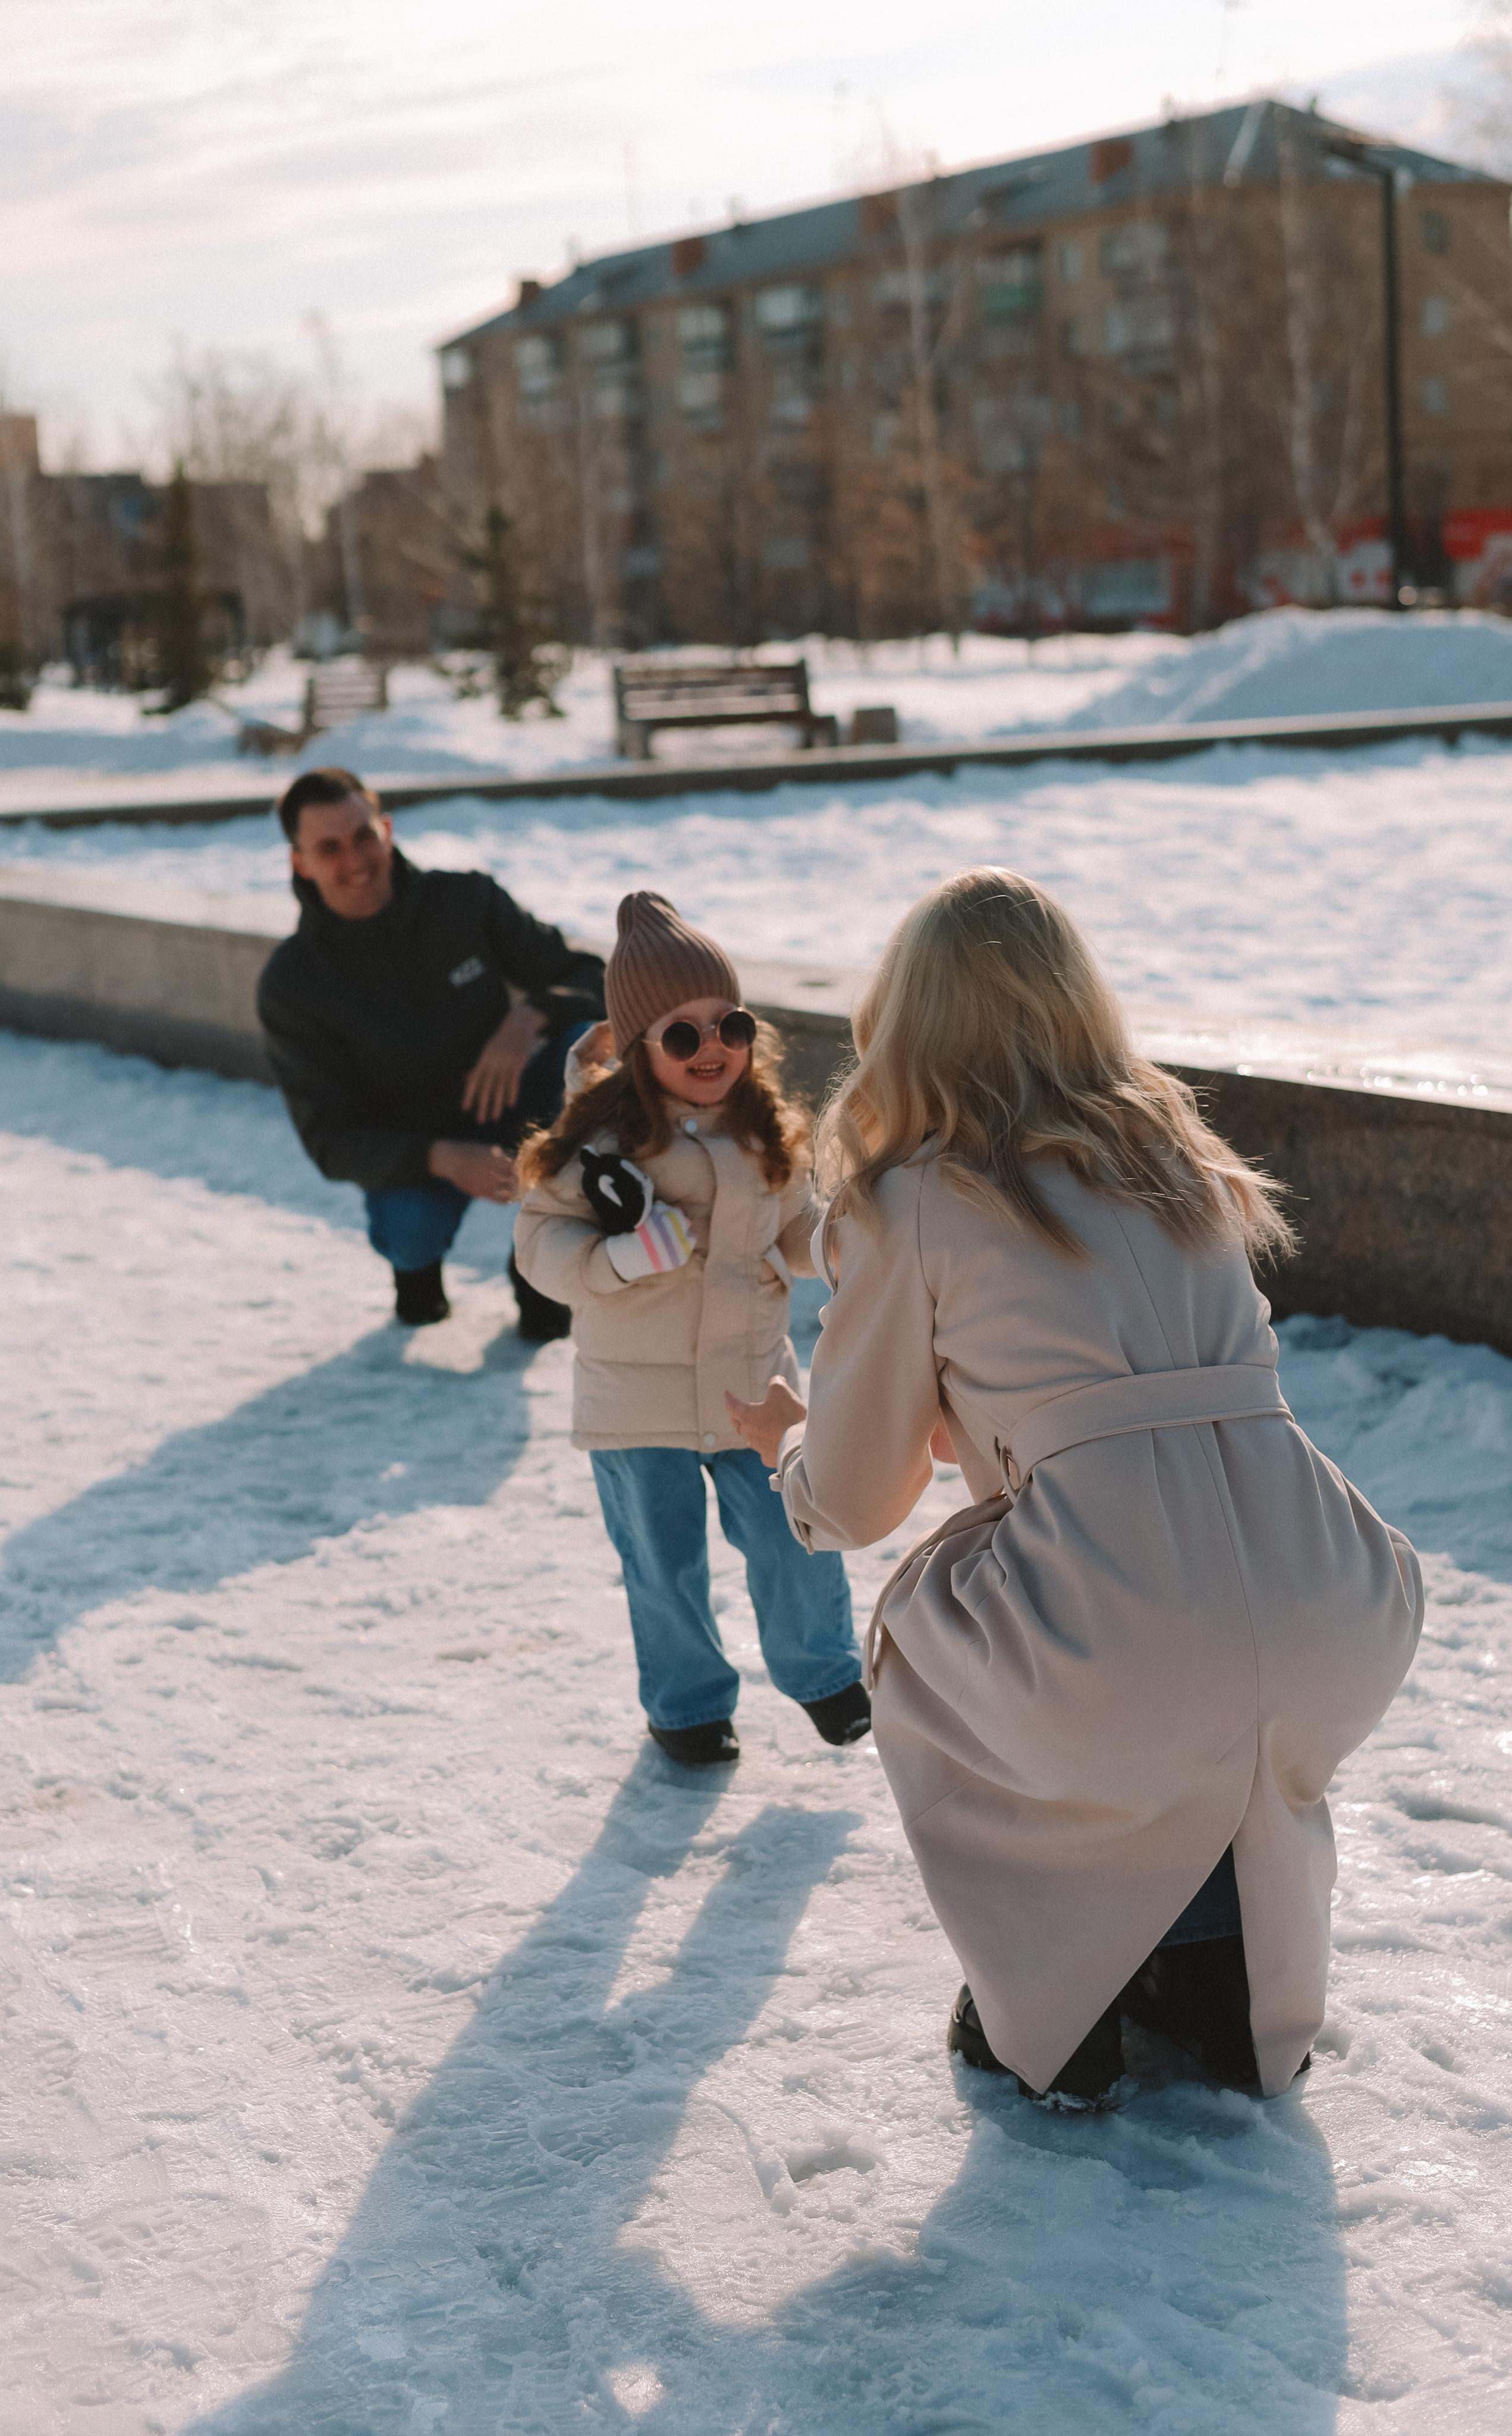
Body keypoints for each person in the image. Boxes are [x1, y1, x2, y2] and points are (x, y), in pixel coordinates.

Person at [728, 869, 1422, 2108]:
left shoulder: (915, 1193)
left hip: (1127, 1620)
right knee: (1197, 1688)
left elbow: (852, 1496)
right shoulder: (1178, 1154)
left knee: (938, 1631)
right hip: (1326, 1583)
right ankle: (1212, 1966)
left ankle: (1061, 1989)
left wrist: (788, 1439)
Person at [513, 890, 869, 1768]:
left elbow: (793, 1225)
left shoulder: (761, 1134)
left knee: (793, 1530)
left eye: (731, 1025)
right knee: (662, 1565)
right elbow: (539, 1245)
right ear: (639, 1047)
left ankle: (826, 1676)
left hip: (752, 1385)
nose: (712, 1049)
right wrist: (619, 1261)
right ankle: (687, 1709)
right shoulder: (599, 1146)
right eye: (682, 1034)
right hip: (636, 1405)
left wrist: (842, 1245)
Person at [257, 767, 604, 1335]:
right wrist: (441, 1158)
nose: (355, 861)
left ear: (387, 829)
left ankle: (542, 1270)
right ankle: (416, 1273)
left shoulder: (464, 900)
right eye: (329, 848)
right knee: (411, 1228)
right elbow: (330, 1141)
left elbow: (588, 976)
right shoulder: (293, 983)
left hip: (512, 1102)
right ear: (301, 862)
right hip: (415, 1146)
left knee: (585, 1048)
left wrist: (528, 1016)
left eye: (363, 836)